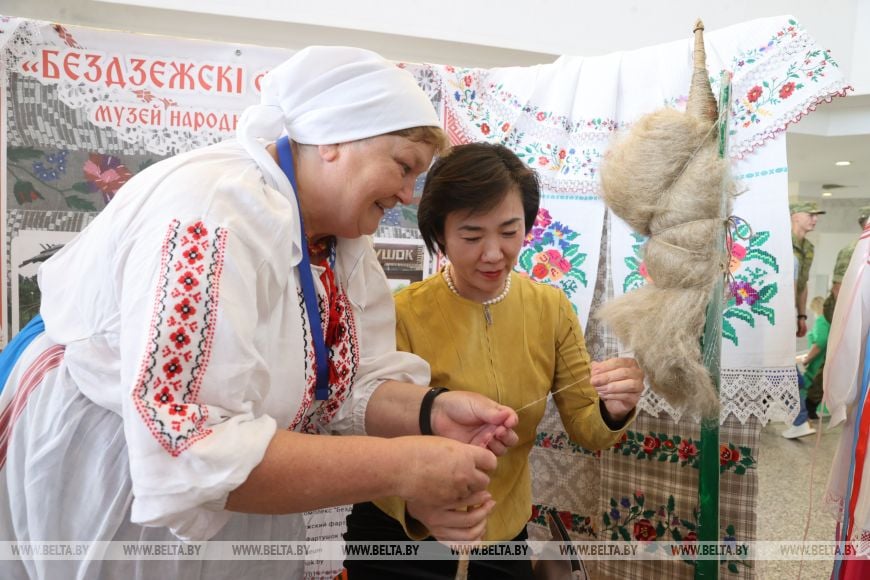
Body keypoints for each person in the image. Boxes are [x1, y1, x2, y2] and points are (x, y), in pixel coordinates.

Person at [0, 47, 520, 580]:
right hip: (122, 477)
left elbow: (344, 386)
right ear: (337, 138)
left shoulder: (339, 243)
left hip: (230, 479)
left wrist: (431, 411)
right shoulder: (213, 215)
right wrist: (404, 467)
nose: (409, 194)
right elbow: (189, 444)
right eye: (404, 166)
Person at [343, 142, 644, 579]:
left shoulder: (551, 308)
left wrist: (615, 410)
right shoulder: (400, 313)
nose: (492, 253)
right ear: (440, 233)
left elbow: (588, 428)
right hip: (402, 533)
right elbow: (370, 436)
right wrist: (415, 504)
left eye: (509, 231)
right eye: (471, 235)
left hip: (501, 535)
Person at [783, 200, 825, 439]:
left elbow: (802, 285)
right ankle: (797, 417)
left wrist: (800, 315)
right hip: (773, 315)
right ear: (794, 215)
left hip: (788, 314)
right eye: (810, 214)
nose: (815, 219)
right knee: (779, 365)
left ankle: (798, 418)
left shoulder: (807, 248)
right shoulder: (779, 239)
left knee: (779, 365)